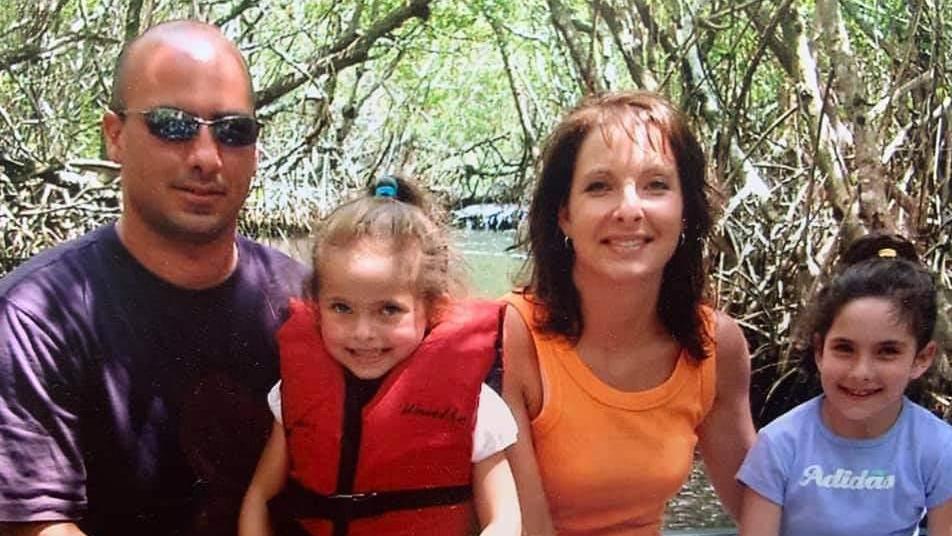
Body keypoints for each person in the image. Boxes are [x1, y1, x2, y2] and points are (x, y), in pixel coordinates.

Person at [0, 20, 306, 536]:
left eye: (233, 131)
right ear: (115, 137)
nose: (207, 158)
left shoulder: (314, 305)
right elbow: (36, 524)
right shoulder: (35, 317)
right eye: (173, 124)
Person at [501, 90, 756, 535]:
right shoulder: (509, 337)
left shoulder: (717, 346)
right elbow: (527, 527)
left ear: (685, 211)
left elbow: (759, 508)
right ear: (564, 214)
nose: (629, 210)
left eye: (656, 185)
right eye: (599, 186)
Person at [238, 176, 521, 536]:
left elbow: (505, 519)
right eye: (342, 308)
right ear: (317, 306)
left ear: (431, 307)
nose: (363, 333)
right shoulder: (291, 396)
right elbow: (260, 495)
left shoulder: (479, 407)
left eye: (388, 310)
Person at [737, 233, 952, 535]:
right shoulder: (779, 444)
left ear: (922, 358)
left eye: (887, 352)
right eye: (844, 349)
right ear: (819, 351)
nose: (861, 372)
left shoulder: (940, 448)